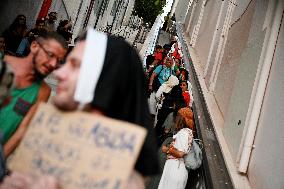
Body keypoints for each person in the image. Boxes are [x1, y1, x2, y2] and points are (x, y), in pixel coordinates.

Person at [0, 31, 68, 157]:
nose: (53, 64)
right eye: (50, 55)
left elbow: (21, 130)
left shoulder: (43, 91)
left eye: (59, 61)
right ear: (34, 46)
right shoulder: (2, 62)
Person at [158, 107, 194, 189]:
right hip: (177, 169)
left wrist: (167, 150)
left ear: (182, 118)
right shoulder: (188, 132)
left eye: (178, 116)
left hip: (175, 169)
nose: (176, 118)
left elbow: (180, 153)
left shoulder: (184, 133)